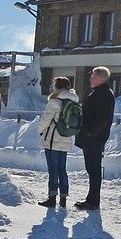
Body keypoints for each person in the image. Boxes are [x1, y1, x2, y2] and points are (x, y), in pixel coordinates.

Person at [74, 66, 116, 211]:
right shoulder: (100, 93)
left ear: (98, 78)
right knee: (92, 169)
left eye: (92, 76)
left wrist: (89, 133)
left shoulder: (105, 94)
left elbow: (103, 118)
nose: (90, 78)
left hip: (94, 139)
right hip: (92, 138)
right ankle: (91, 200)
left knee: (94, 170)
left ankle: (93, 202)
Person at [37, 76, 80, 208]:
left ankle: (51, 198)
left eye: (53, 85)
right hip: (65, 139)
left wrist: (39, 129)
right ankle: (63, 199)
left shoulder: (55, 101)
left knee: (53, 169)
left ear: (58, 87)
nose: (52, 87)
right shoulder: (74, 101)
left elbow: (46, 120)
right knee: (62, 169)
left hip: (52, 140)